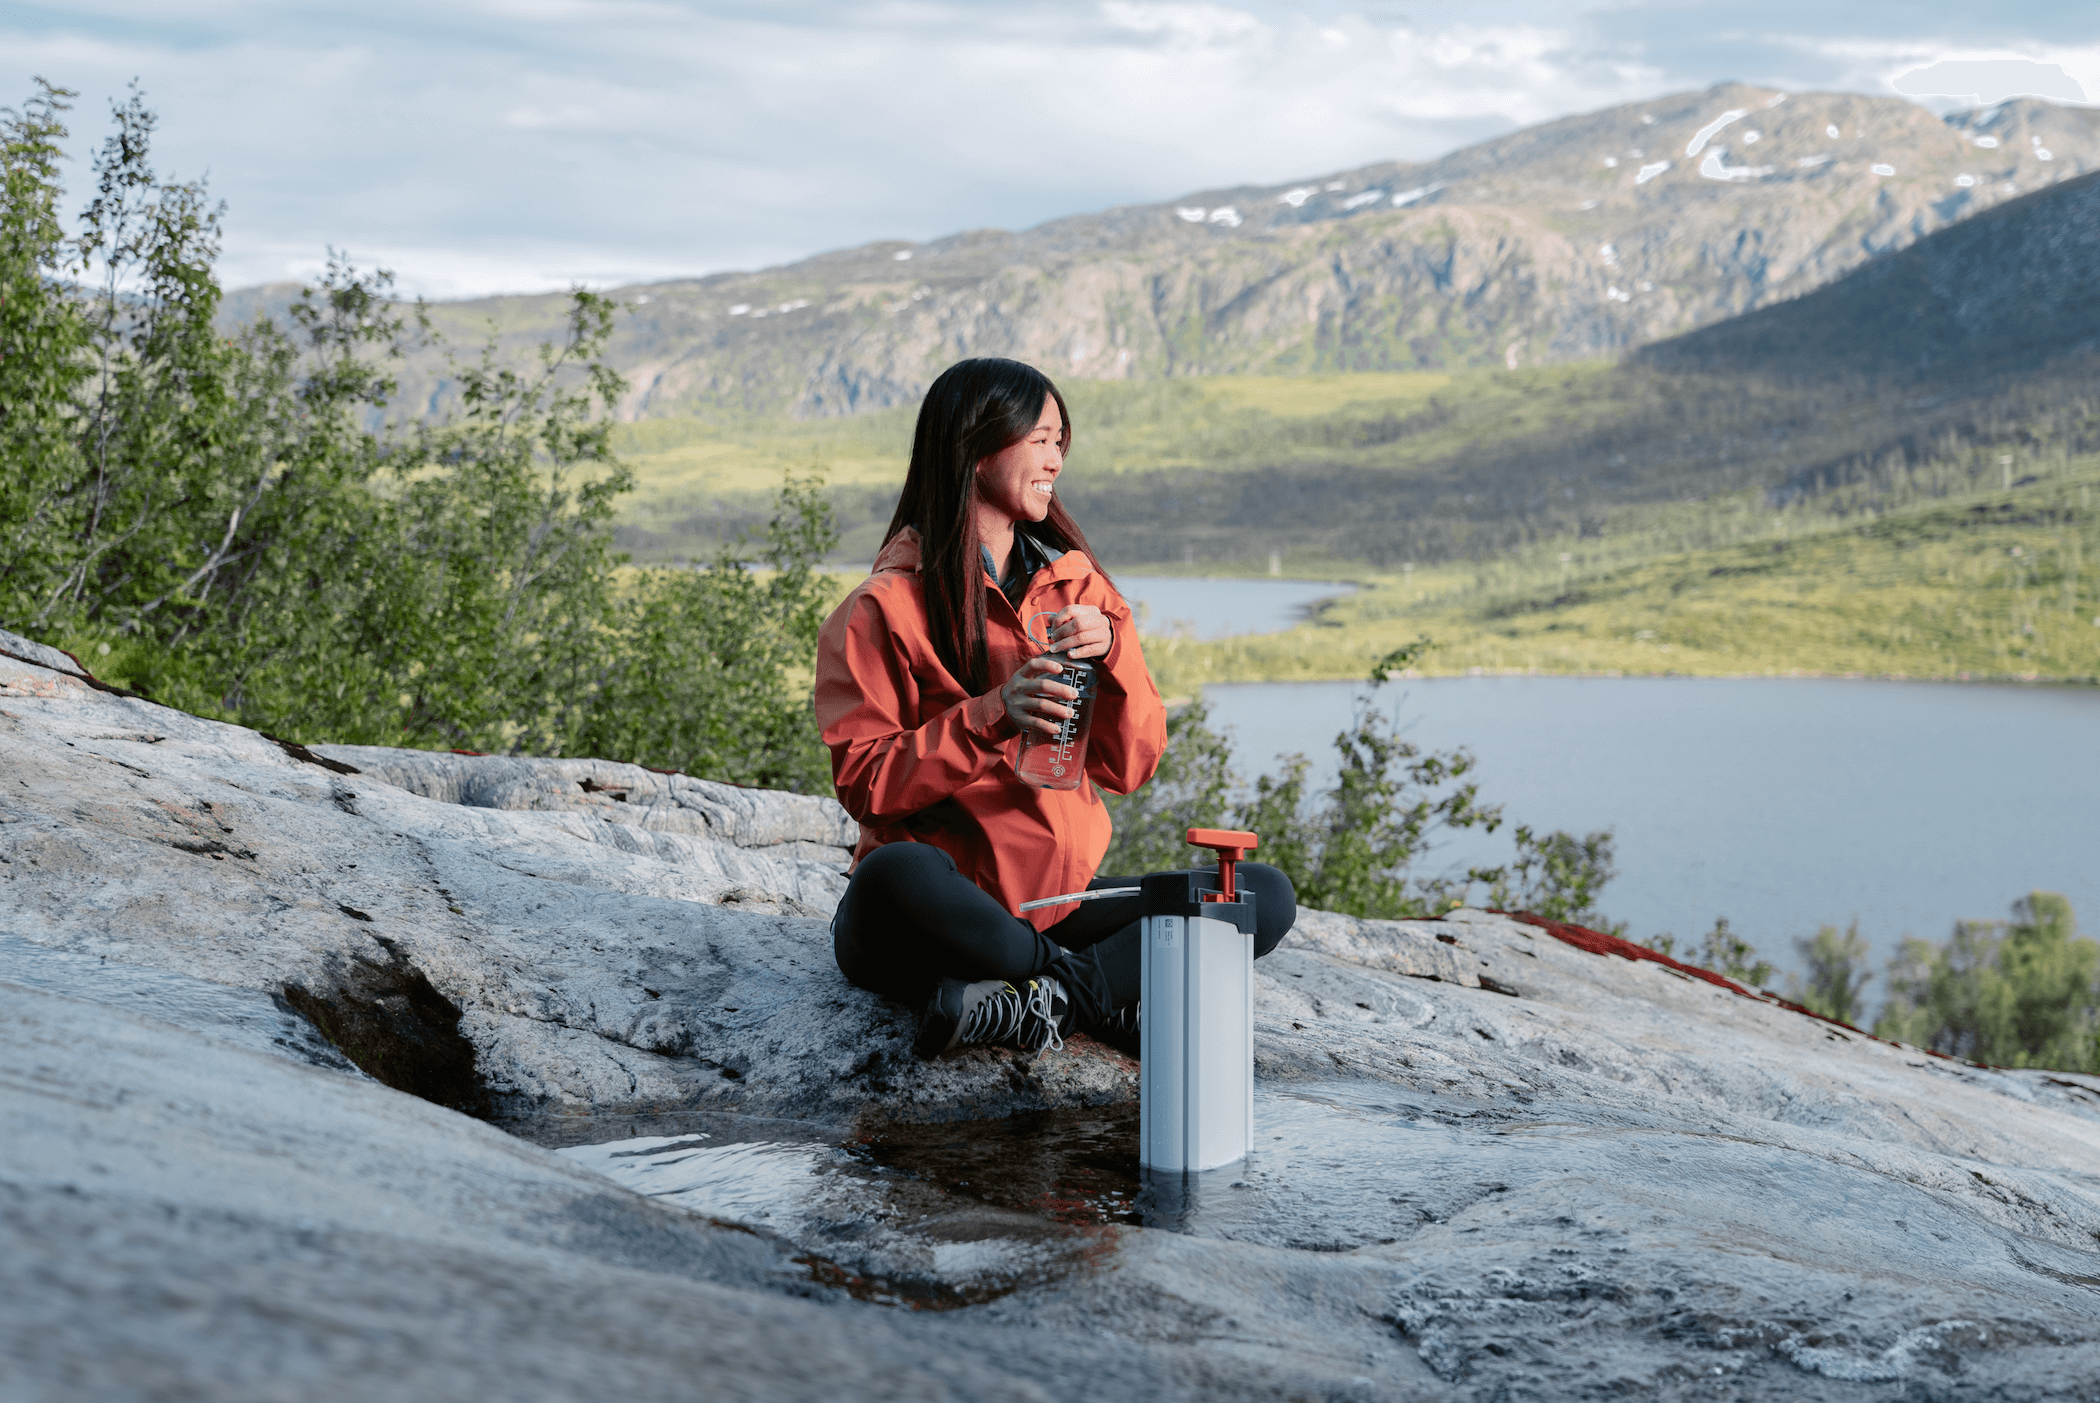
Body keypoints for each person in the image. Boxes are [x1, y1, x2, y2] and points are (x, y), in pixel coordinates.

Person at [815, 357, 1296, 1060]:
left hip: (1055, 908)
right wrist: (991, 715)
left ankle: (1049, 998)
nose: (1056, 459)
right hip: (936, 916)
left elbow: (1131, 766)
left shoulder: (1079, 591)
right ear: (975, 449)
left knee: (1257, 893)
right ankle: (1096, 996)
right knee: (897, 875)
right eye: (1040, 439)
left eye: (1060, 440)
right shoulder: (879, 609)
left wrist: (1117, 656)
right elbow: (865, 780)